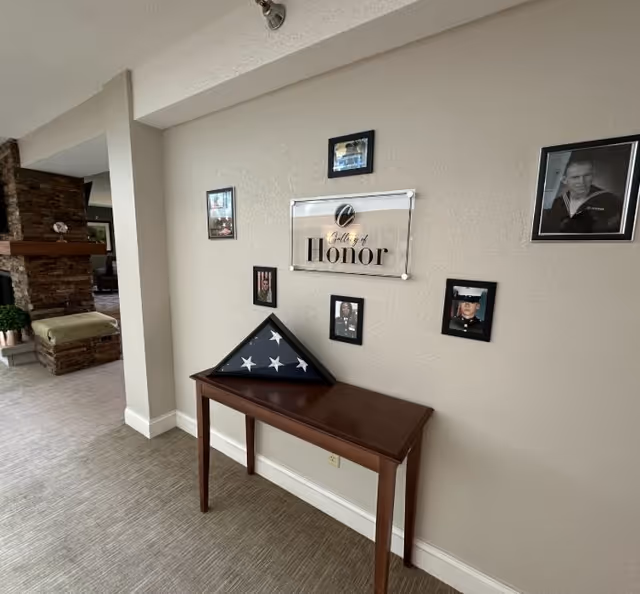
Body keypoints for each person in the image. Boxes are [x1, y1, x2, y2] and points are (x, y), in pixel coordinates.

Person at [541, 152, 623, 234]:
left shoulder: (611, 201)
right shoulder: (554, 205)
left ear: (592, 175)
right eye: (575, 177)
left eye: (587, 175)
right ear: (564, 180)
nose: (582, 182)